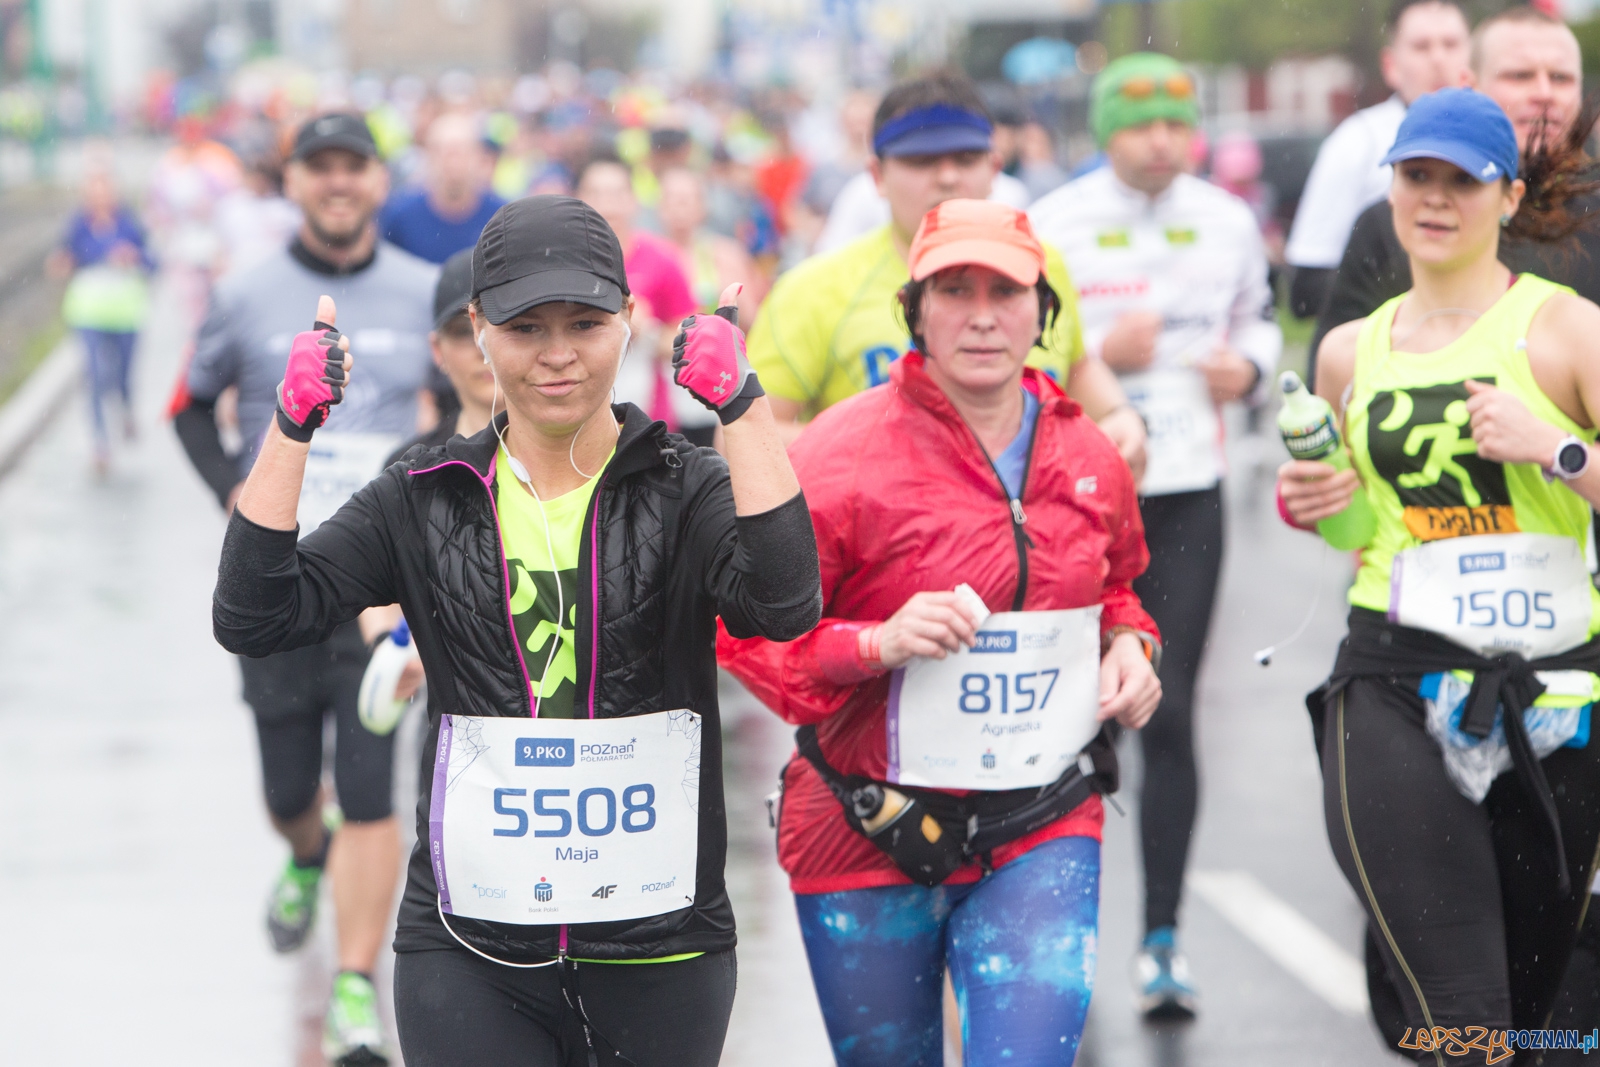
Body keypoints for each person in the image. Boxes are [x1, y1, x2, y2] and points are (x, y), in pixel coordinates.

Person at [210, 194, 822, 1067]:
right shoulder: (421, 496)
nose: (559, 354)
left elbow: (785, 602)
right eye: (526, 327)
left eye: (586, 322)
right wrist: (290, 426)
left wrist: (744, 410)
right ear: (479, 330)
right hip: (470, 948)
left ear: (631, 320)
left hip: (661, 944)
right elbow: (254, 613)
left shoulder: (682, 487)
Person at [719, 198, 1162, 1066]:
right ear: (914, 310)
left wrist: (1133, 648)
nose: (984, 314)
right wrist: (876, 643)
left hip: (1043, 823)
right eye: (955, 289)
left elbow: (1120, 590)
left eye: (1007, 290)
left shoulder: (1090, 456)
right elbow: (748, 636)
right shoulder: (837, 455)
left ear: (1045, 312)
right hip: (865, 826)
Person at [1279, 88, 1600, 1066]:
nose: (1435, 197)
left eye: (1462, 180)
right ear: (1389, 191)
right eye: (1417, 176)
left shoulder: (1566, 330)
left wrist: (1559, 451)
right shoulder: (1347, 351)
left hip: (1557, 692)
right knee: (1469, 1022)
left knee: (1549, 1019)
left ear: (1505, 199)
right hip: (1392, 677)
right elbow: (1355, 523)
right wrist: (1317, 500)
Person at [172, 112, 437, 1066]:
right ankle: (301, 848)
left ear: (376, 180)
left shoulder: (421, 290)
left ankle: (355, 983)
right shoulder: (244, 295)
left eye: (353, 168)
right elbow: (188, 406)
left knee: (369, 791)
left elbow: (455, 416)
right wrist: (231, 489)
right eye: (318, 168)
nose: (337, 183)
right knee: (292, 788)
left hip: (375, 593)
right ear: (292, 182)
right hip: (280, 581)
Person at [1028, 51, 1282, 1020]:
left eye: (1176, 122)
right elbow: (1021, 348)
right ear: (1106, 131)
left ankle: (1162, 937)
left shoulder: (1223, 218)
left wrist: (1248, 371)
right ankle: (1059, 930)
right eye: (1140, 123)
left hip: (1186, 490)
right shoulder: (1056, 223)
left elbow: (1261, 323)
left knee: (1164, 714)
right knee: (1073, 718)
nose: (1162, 140)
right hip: (1077, 498)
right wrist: (1099, 355)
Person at [746, 69, 1147, 471]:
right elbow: (745, 438)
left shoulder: (1041, 262)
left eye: (966, 158)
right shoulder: (813, 288)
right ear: (877, 176)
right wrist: (891, 453)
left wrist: (1117, 415)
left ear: (994, 169)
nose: (948, 176)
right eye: (922, 161)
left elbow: (1075, 366)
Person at [1309, 6, 1599, 377]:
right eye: (1519, 75)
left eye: (1560, 78)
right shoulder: (1399, 223)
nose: (1543, 93)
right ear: (1468, 83)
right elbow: (1333, 391)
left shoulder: (1596, 219)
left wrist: (1552, 437)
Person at [1285, 0, 1471, 318]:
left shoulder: (1499, 139)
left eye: (1451, 44)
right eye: (1421, 46)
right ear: (1391, 65)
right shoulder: (1357, 141)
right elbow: (1306, 289)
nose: (1439, 58)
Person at [574, 156, 705, 444]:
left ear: (633, 200)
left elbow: (691, 343)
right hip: (576, 415)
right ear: (578, 200)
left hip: (648, 418)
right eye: (596, 194)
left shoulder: (663, 259)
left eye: (616, 194)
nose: (607, 206)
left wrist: (648, 331)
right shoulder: (565, 263)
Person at [50, 166, 155, 474]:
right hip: (88, 310)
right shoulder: (78, 226)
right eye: (94, 193)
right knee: (95, 375)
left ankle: (125, 408)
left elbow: (152, 261)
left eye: (105, 192)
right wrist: (67, 262)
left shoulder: (129, 224)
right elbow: (64, 257)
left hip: (125, 312)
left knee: (122, 374)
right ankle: (100, 442)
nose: (100, 199)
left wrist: (132, 256)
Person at [381, 111, 507, 264]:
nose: (452, 162)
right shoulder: (399, 215)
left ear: (479, 156)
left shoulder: (501, 217)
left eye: (461, 151)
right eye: (442, 151)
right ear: (428, 155)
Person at [656, 165, 763, 323]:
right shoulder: (649, 256)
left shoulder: (727, 254)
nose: (680, 206)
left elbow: (753, 320)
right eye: (672, 198)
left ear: (703, 206)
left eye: (687, 199)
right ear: (660, 207)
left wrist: (730, 298)